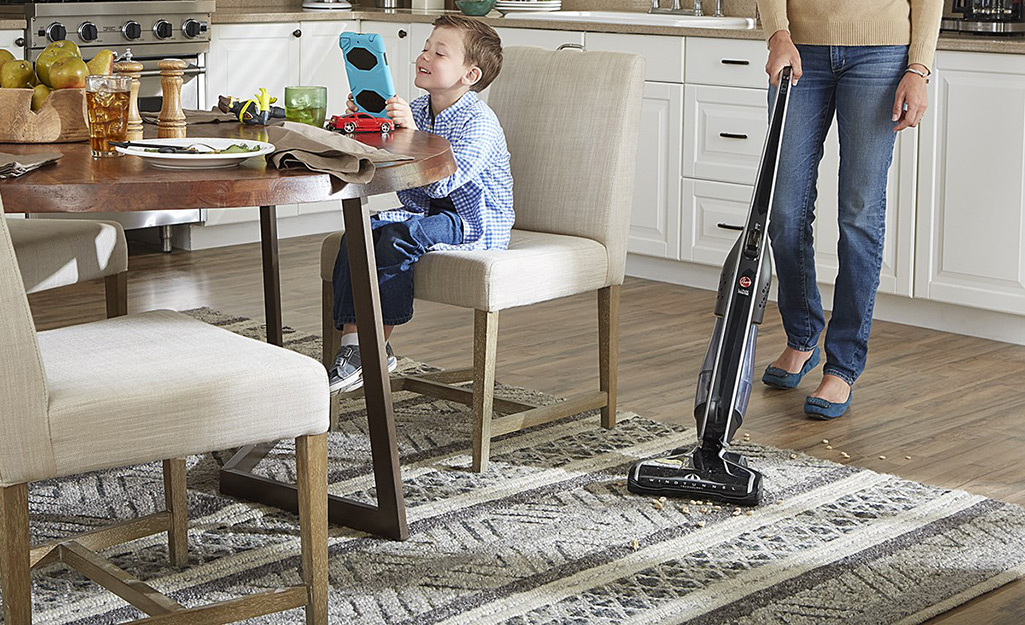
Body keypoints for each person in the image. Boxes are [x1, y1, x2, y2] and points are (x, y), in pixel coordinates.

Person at [756, 0, 943, 419]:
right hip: (799, 49)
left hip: (881, 53)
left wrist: (919, 68)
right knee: (784, 211)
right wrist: (778, 34)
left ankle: (842, 365)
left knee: (858, 215)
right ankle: (802, 337)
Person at [329, 15, 513, 393]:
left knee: (398, 236)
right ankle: (359, 347)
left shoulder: (479, 123)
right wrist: (367, 118)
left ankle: (369, 346)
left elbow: (445, 180)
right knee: (358, 232)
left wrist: (412, 135)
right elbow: (387, 160)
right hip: (429, 210)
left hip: (470, 220)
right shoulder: (418, 107)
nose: (423, 57)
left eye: (439, 53)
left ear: (470, 76)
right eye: (425, 47)